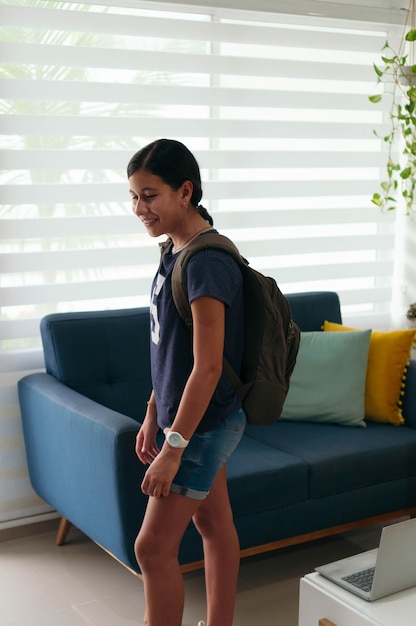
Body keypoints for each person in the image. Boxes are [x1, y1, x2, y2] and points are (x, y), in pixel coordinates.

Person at [127, 138, 246, 626]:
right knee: (214, 524)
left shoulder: (206, 263)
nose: (139, 208)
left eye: (149, 195)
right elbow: (169, 351)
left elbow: (209, 366)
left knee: (152, 548)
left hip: (201, 425)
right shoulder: (173, 251)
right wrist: (154, 412)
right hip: (187, 419)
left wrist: (174, 446)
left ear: (185, 191)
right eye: (133, 196)